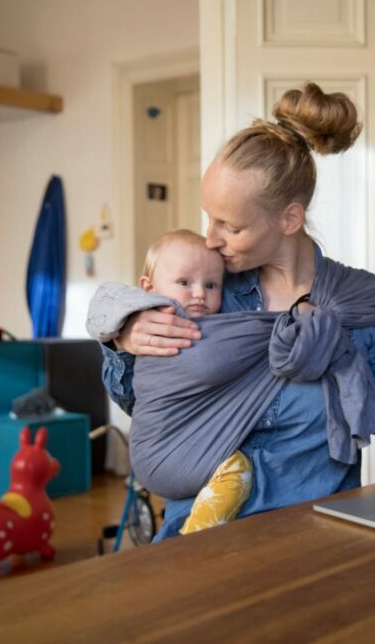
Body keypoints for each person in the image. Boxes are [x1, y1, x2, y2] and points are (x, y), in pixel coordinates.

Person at [97, 82, 375, 540]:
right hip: (199, 536)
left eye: (231, 226)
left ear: (289, 219)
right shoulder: (211, 292)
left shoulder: (359, 304)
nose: (211, 239)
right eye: (209, 218)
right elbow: (149, 405)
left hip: (311, 539)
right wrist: (123, 338)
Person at [133, 228, 251, 534]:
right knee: (238, 468)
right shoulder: (160, 332)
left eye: (211, 285)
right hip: (168, 452)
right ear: (148, 288)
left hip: (175, 452)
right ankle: (197, 532)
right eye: (185, 283)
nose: (200, 293)